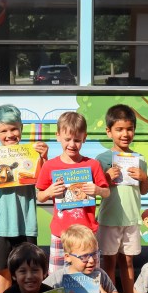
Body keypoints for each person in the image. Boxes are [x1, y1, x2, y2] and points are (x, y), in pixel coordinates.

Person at [0, 104, 48, 293]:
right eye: (4, 130)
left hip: (26, 222)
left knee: (30, 272)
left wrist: (43, 157)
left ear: (22, 128)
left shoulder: (31, 155)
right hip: (0, 226)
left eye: (14, 128)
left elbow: (42, 182)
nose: (10, 134)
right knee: (4, 273)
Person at [36, 111, 110, 273]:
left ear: (84, 138)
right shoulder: (50, 166)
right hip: (60, 233)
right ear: (58, 136)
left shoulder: (92, 165)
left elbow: (106, 193)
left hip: (86, 233)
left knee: (90, 276)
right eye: (67, 139)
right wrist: (49, 191)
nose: (72, 144)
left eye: (77, 140)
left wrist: (97, 190)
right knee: (57, 277)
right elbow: (40, 196)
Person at [96, 104, 148, 293]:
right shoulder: (101, 159)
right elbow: (99, 191)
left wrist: (144, 178)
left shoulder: (140, 159)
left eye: (129, 129)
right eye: (119, 129)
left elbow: (145, 190)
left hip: (131, 219)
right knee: (108, 263)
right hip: (109, 220)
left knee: (128, 262)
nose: (125, 134)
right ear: (109, 131)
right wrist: (107, 177)